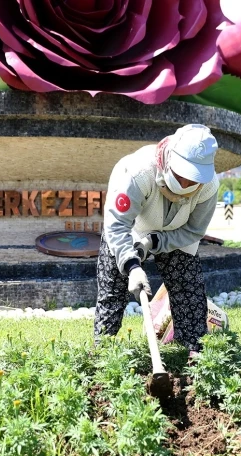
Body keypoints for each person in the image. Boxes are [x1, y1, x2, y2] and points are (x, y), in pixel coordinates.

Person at [94, 124, 220, 357]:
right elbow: (117, 226)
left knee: (189, 290)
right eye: (182, 175)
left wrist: (154, 241)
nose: (185, 185)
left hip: (177, 233)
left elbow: (194, 231)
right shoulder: (137, 172)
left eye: (193, 178)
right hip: (131, 228)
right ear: (170, 158)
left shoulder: (209, 187)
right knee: (112, 290)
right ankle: (102, 355)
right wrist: (132, 267)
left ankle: (194, 355)